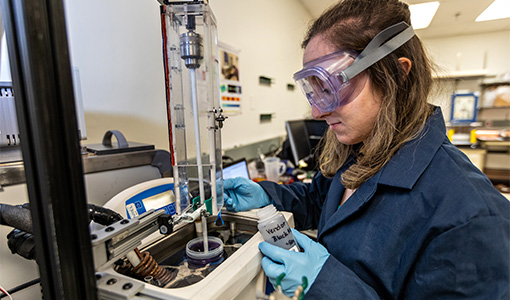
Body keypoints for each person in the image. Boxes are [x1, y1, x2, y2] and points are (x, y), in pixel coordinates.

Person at [223, 0, 510, 299]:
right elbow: (324, 202)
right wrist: (266, 195)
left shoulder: (471, 216)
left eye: (331, 85)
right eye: (313, 89)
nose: (316, 112)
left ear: (397, 74)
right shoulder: (362, 152)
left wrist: (328, 285)